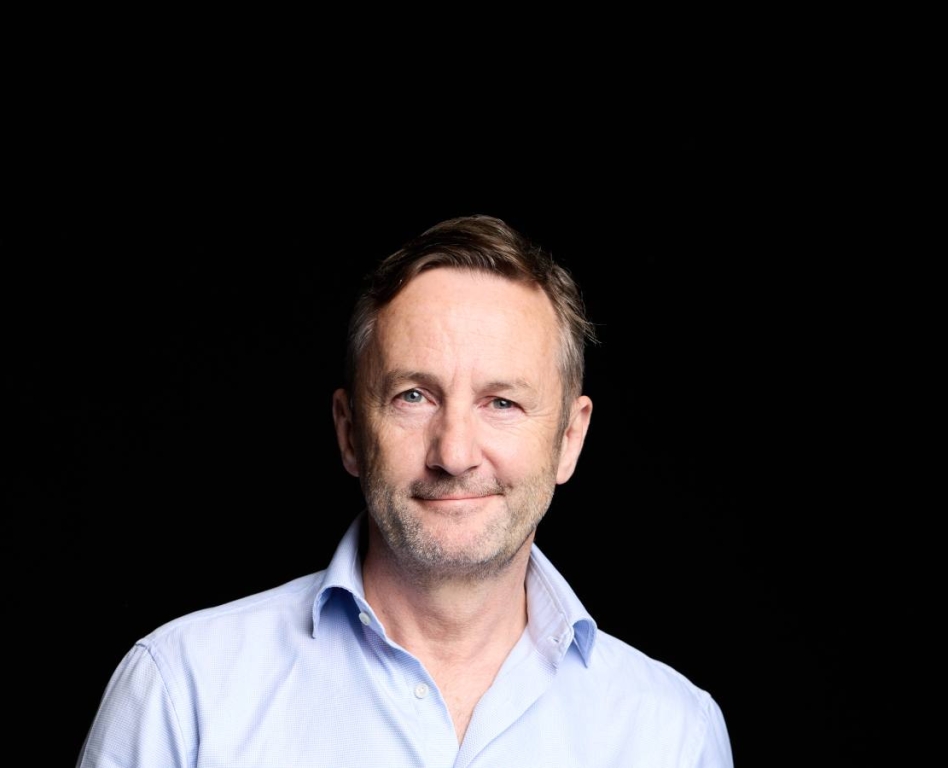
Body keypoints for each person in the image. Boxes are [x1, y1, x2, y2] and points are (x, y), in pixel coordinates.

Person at [75, 214, 734, 767]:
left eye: (501, 402)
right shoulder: (182, 693)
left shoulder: (673, 734)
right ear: (350, 432)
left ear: (569, 438)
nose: (454, 454)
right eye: (414, 396)